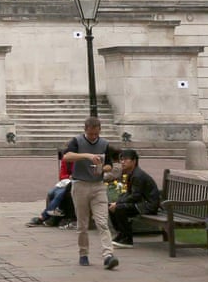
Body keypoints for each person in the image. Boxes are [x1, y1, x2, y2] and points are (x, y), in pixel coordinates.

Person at [63, 115, 118, 270]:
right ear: (85, 130)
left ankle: (108, 255)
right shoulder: (77, 141)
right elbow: (67, 157)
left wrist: (103, 168)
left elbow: (110, 165)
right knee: (83, 223)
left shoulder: (104, 143)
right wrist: (87, 156)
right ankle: (83, 253)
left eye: (96, 134)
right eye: (91, 134)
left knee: (102, 221)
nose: (94, 137)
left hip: (98, 185)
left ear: (100, 131)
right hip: (80, 184)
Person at [109, 149, 161, 247]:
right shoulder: (131, 173)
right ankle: (121, 234)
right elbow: (129, 193)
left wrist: (118, 204)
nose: (122, 162)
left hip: (148, 205)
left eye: (125, 159)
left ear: (134, 161)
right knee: (112, 207)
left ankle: (127, 239)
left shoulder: (138, 175)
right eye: (121, 159)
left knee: (119, 208)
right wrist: (117, 201)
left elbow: (135, 196)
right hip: (140, 203)